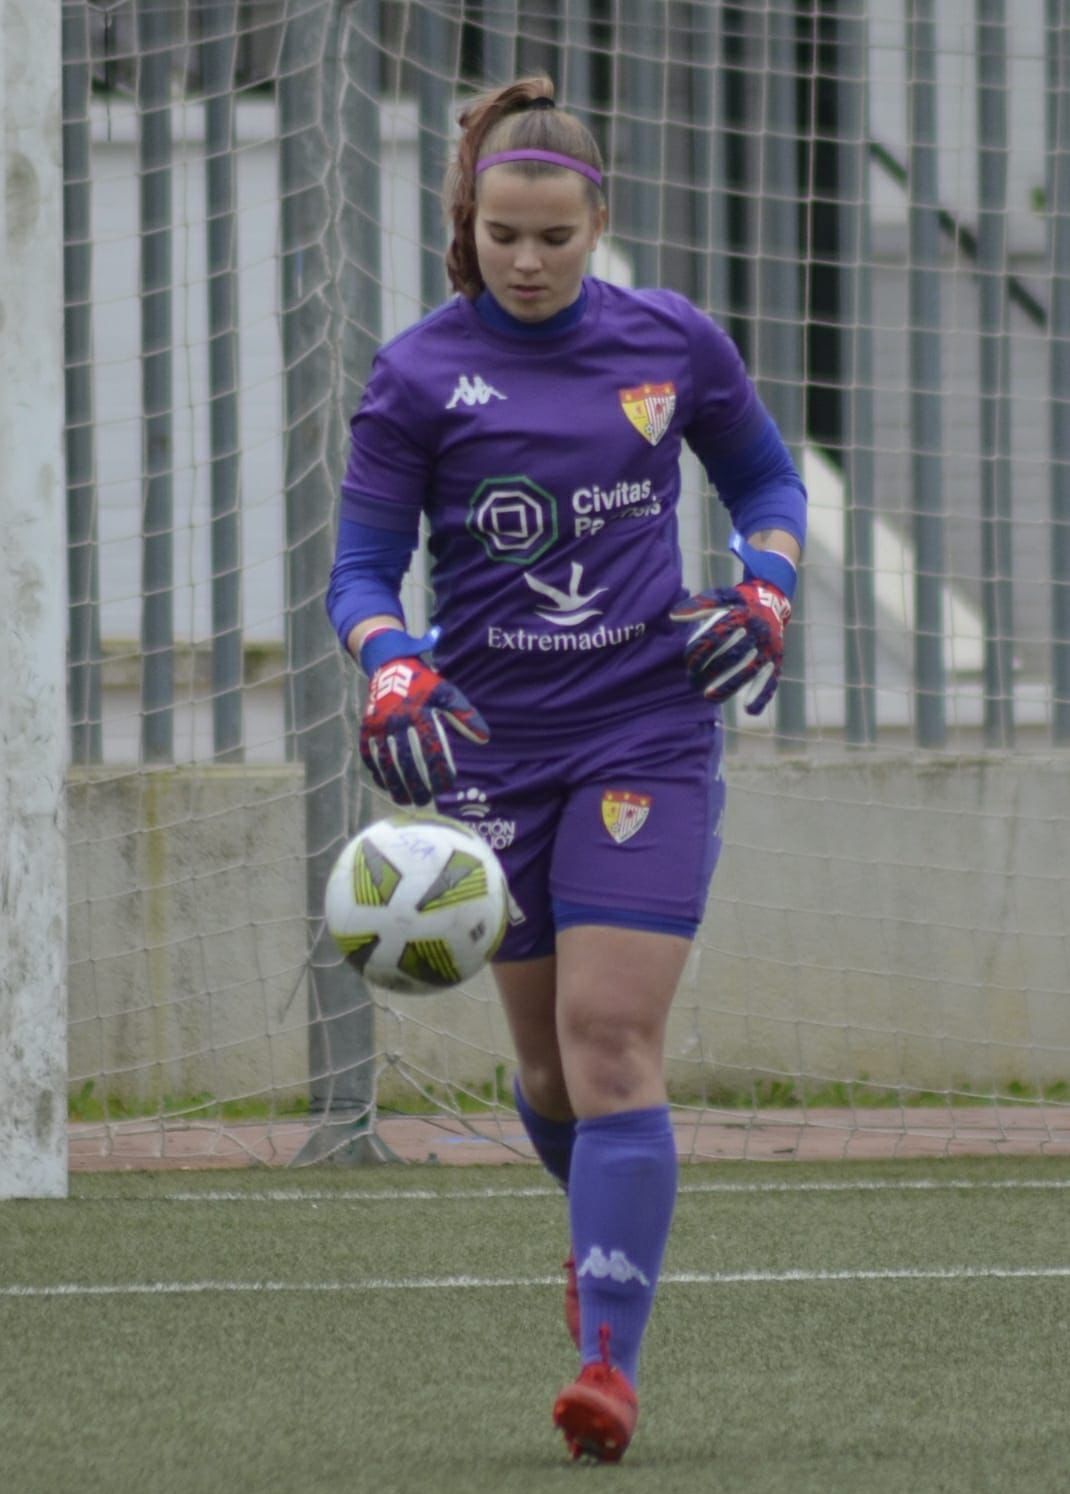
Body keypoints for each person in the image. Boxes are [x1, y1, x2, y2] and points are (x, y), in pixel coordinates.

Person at [326, 75, 806, 1463]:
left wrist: (761, 588)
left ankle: (608, 1362)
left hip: (645, 726)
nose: (526, 262)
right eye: (500, 237)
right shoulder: (418, 373)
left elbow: (765, 483)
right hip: (487, 752)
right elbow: (360, 568)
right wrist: (394, 662)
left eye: (554, 236)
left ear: (600, 222)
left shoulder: (672, 344)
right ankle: (597, 1229)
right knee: (544, 1070)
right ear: (465, 225)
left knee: (609, 1037)